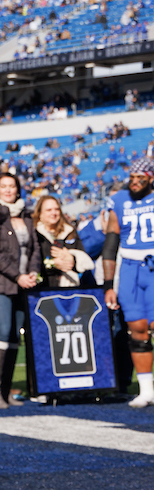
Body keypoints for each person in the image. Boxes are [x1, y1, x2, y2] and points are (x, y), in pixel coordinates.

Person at [0, 172, 41, 410]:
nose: (8, 190)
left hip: (24, 283)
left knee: (15, 335)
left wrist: (33, 272)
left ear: (18, 189)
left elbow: (35, 248)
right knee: (2, 332)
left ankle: (6, 391)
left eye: (12, 186)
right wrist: (18, 276)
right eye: (3, 186)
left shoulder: (26, 214)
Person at [102, 158, 154, 407]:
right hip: (130, 268)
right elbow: (111, 242)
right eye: (131, 178)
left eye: (140, 178)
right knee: (137, 330)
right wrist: (108, 284)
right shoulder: (120, 200)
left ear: (150, 178)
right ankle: (146, 390)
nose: (134, 183)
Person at [32, 195, 94, 289]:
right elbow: (30, 262)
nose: (54, 213)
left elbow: (83, 258)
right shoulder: (33, 233)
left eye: (56, 209)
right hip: (42, 288)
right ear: (40, 213)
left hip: (69, 288)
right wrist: (52, 264)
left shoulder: (70, 231)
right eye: (49, 210)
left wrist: (72, 259)